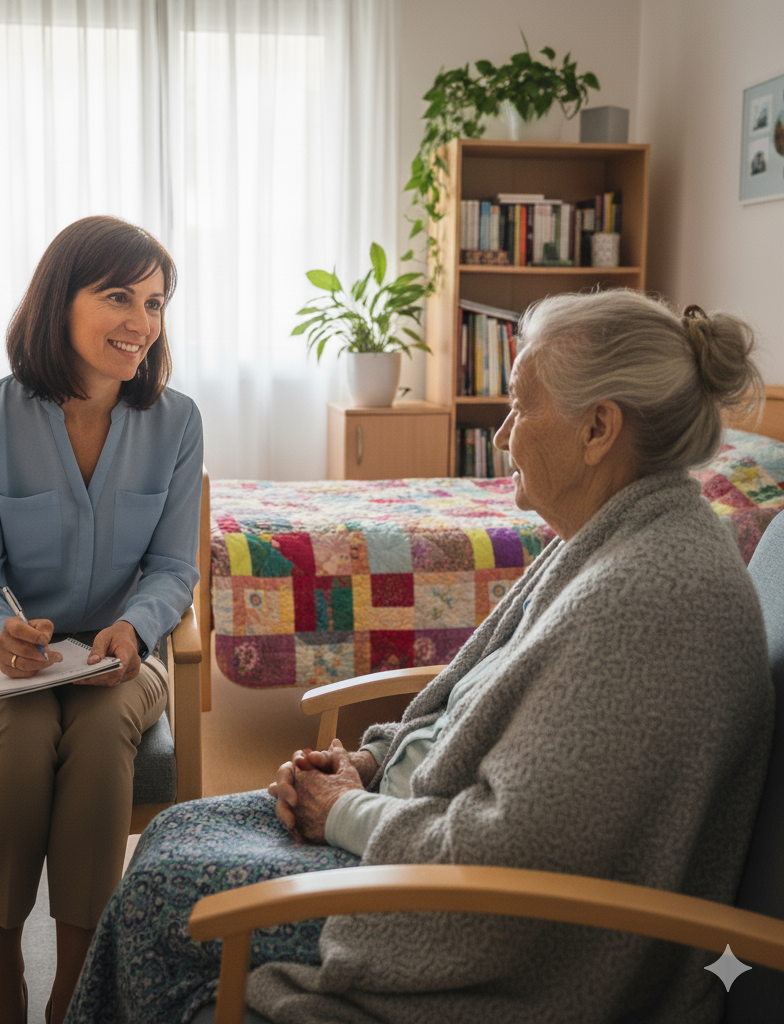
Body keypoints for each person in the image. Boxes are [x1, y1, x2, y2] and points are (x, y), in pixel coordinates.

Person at [66, 290, 774, 1024]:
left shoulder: (651, 597)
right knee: (170, 832)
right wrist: (370, 765)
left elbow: (511, 857)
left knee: (160, 892)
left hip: (469, 923)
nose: (502, 435)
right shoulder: (606, 537)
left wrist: (344, 809)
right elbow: (484, 707)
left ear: (599, 428)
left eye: (521, 406)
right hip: (416, 831)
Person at [0, 216, 203, 1024]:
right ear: (57, 302)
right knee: (23, 727)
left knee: (102, 725)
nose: (142, 322)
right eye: (119, 296)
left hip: (115, 655)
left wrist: (137, 628)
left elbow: (175, 568)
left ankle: (78, 981)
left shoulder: (177, 424)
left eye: (155, 301)